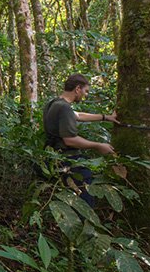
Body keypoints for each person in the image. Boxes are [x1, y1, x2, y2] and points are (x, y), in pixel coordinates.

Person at [42, 73, 118, 207]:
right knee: (84, 203)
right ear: (77, 89)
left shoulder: (54, 103)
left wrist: (105, 117)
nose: (86, 95)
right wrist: (99, 145)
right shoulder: (64, 107)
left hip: (55, 160)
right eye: (86, 91)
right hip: (68, 161)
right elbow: (70, 140)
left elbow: (78, 115)